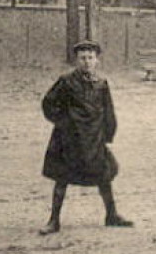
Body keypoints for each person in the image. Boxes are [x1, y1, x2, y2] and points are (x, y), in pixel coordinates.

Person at [39, 39, 131, 235]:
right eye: (82, 58)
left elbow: (108, 110)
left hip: (94, 138)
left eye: (90, 57)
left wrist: (107, 134)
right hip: (69, 139)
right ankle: (53, 220)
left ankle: (111, 215)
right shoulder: (66, 81)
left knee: (104, 175)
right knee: (62, 177)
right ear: (76, 60)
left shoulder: (101, 83)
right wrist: (63, 122)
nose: (87, 62)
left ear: (97, 60)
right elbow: (48, 103)